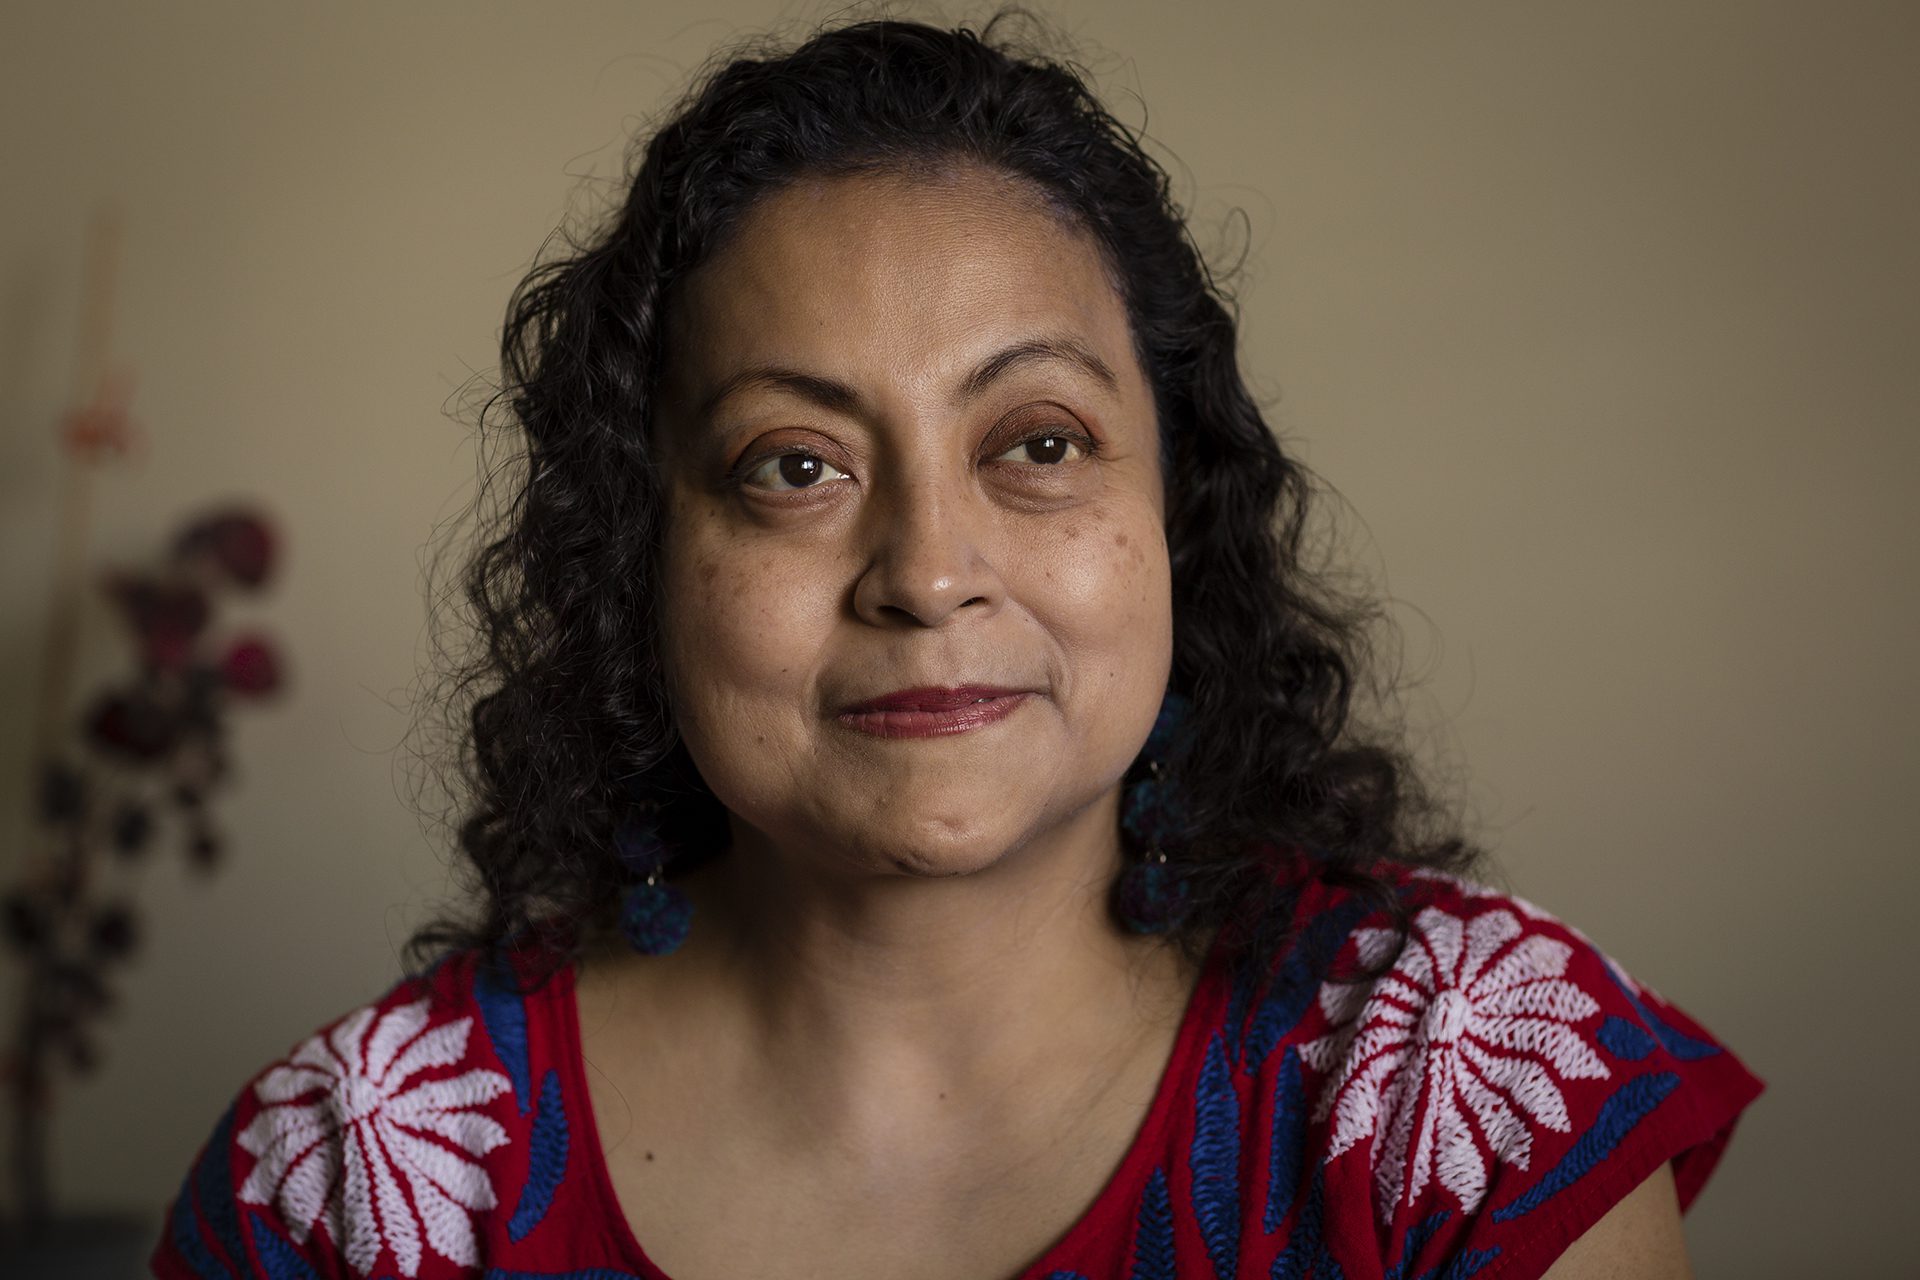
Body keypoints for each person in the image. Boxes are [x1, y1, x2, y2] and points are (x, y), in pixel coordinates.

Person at [152, 12, 1762, 1280]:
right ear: (643, 553)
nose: (927, 572)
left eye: (1039, 442)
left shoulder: (1466, 1088)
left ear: (1175, 510)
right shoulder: (345, 1194)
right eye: (795, 465)